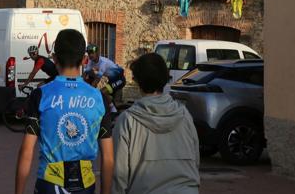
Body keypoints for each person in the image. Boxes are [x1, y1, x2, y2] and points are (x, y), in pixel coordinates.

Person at [15, 29, 114, 194]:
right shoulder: (100, 98)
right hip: (86, 184)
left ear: (54, 59)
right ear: (84, 60)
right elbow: (108, 158)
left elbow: (26, 150)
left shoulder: (40, 95)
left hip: (49, 182)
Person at [111, 53, 200, 194]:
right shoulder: (184, 116)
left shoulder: (127, 121)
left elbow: (119, 175)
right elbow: (195, 161)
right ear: (165, 79)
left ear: (138, 82)